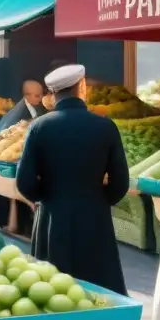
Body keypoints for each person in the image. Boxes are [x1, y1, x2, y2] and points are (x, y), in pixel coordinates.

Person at [16, 64, 129, 294]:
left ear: (52, 93)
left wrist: (45, 195)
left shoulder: (39, 127)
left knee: (51, 291)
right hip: (94, 216)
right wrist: (100, 198)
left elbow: (24, 182)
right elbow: (121, 182)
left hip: (52, 217)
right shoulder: (105, 126)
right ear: (82, 87)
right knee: (98, 291)